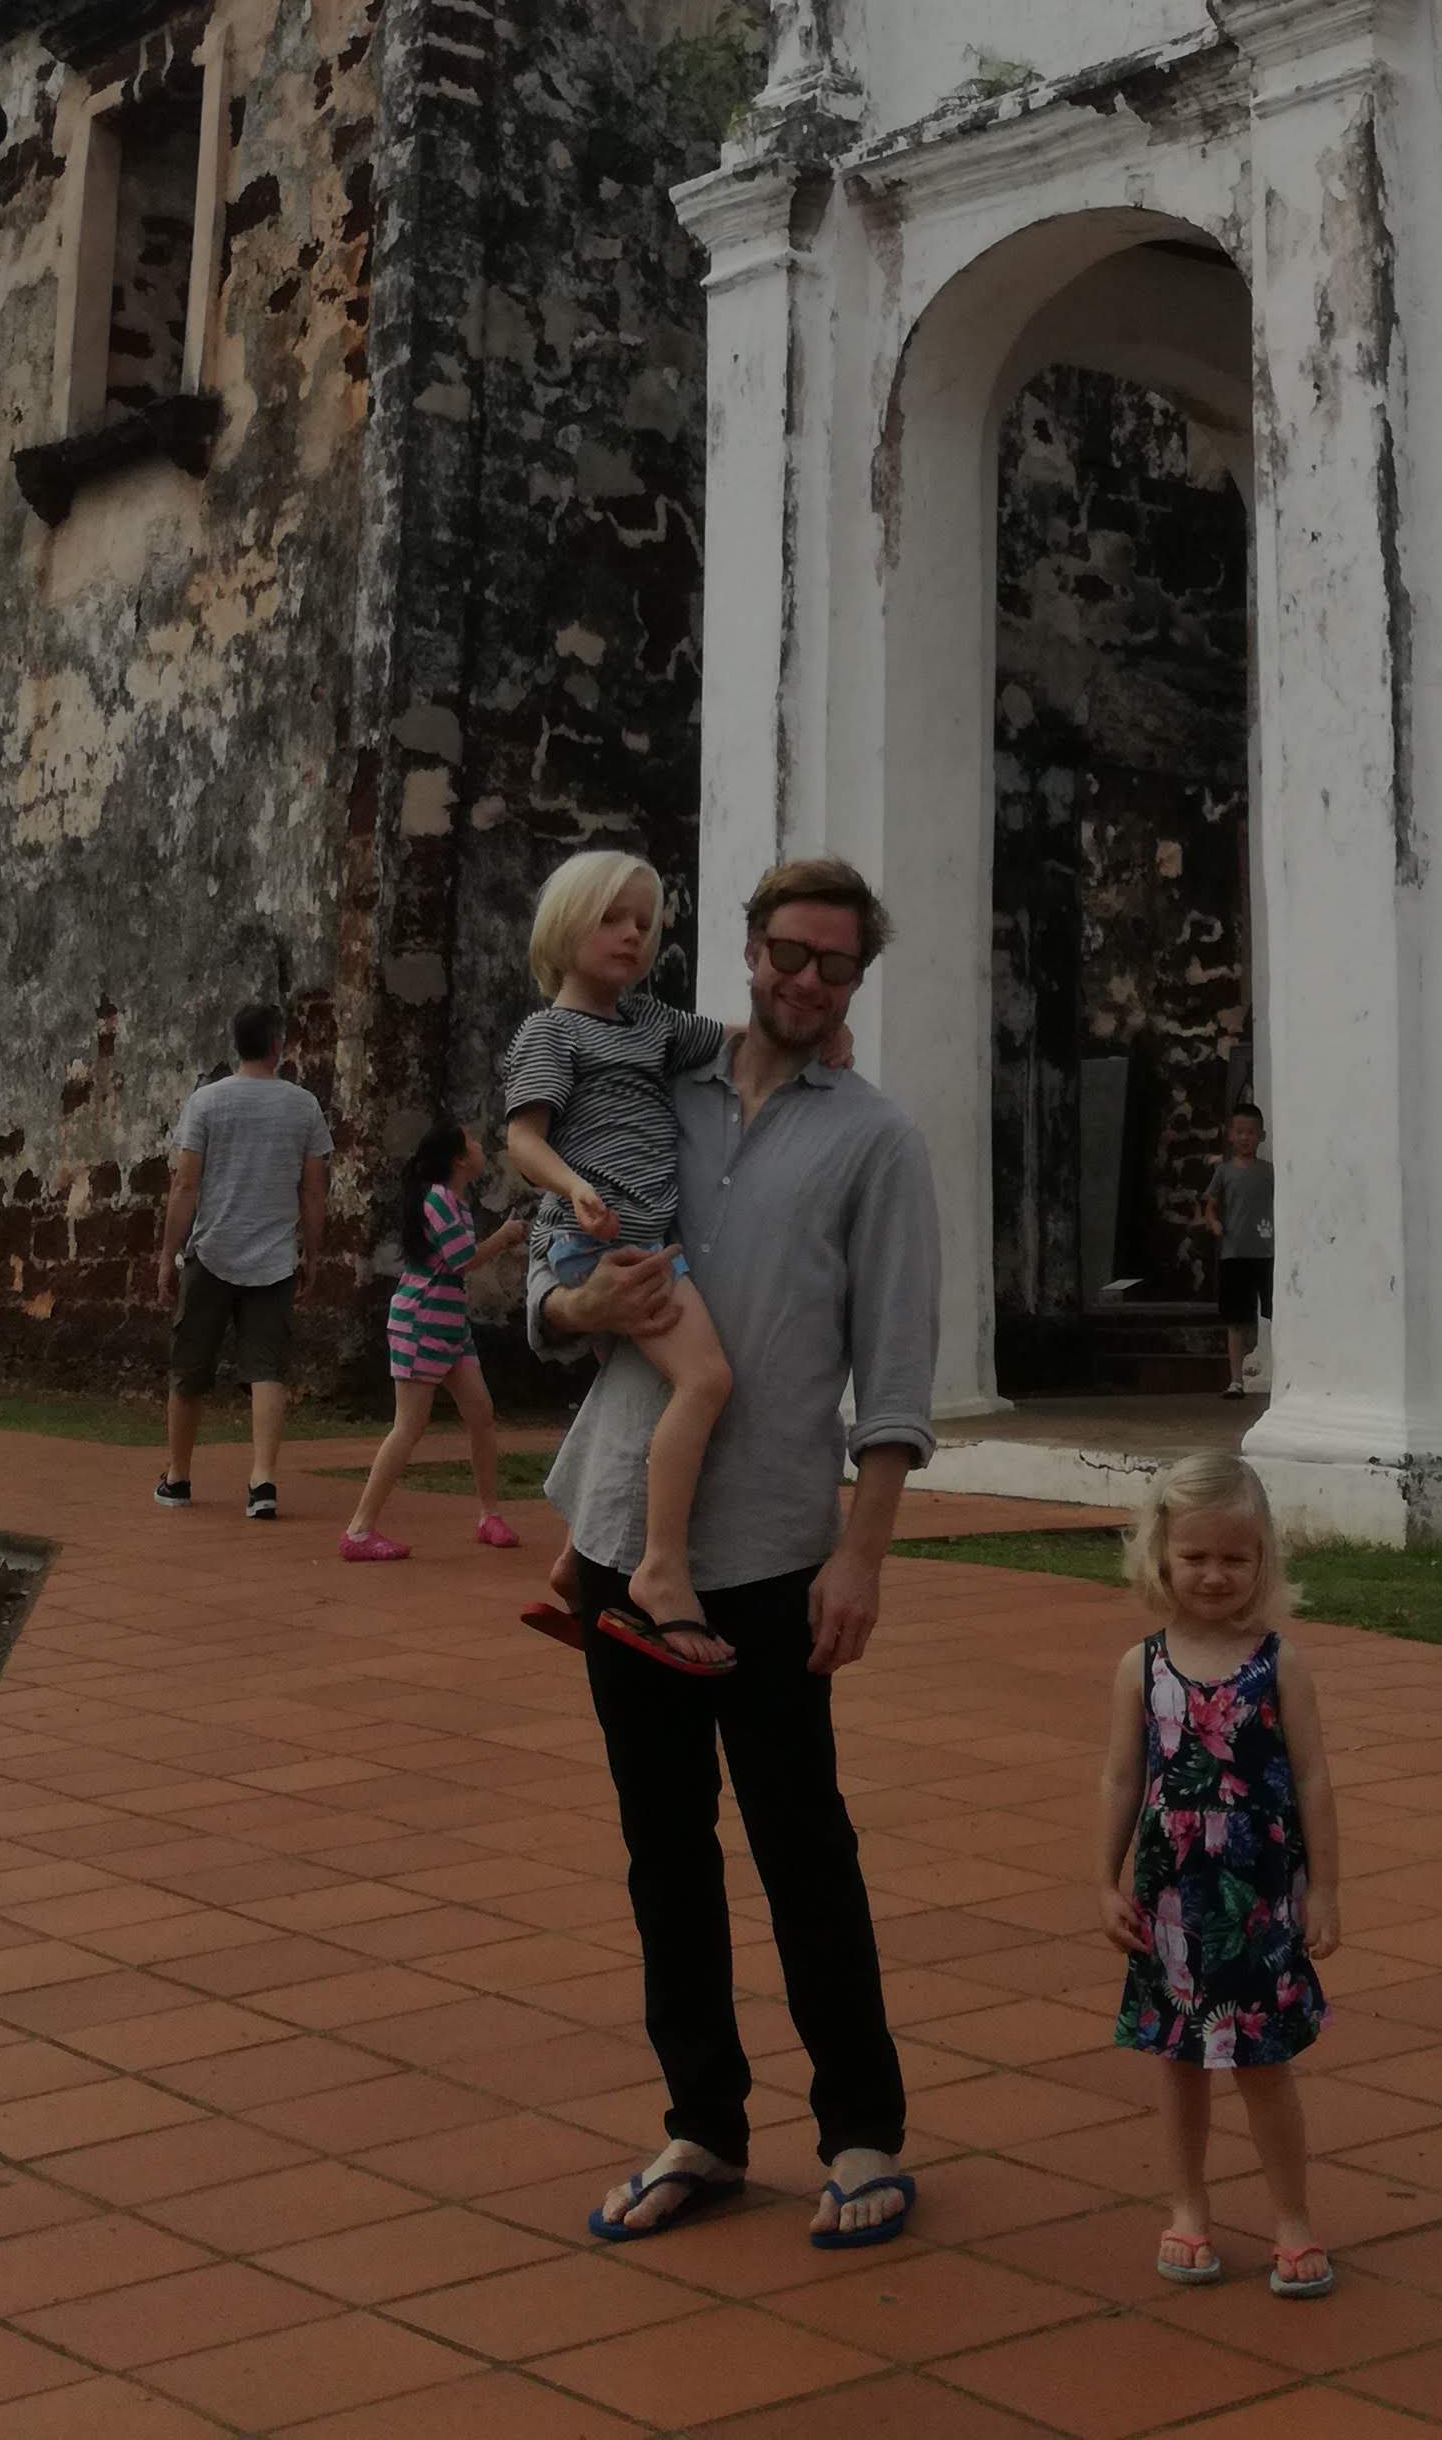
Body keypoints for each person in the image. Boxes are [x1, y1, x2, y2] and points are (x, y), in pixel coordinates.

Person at [536, 854, 937, 2259]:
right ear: (749, 952)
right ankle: (703, 2118)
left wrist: (862, 1560)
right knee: (663, 1848)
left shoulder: (876, 1142)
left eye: (835, 965)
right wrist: (574, 1296)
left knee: (801, 1843)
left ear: (855, 985)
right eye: (786, 953)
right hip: (616, 1536)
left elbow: (894, 1380)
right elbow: (545, 1284)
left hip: (768, 1548)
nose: (805, 982)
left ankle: (863, 2130)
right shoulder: (653, 1085)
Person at [1098, 1447, 1340, 2300]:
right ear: (1161, 1554)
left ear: (1263, 1559)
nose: (1214, 1575)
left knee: (1266, 2066)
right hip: (1170, 1900)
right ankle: (1189, 2207)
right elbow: (1124, 1778)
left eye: (1235, 1558)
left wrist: (1329, 1889)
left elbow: (1311, 1777)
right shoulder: (1142, 1667)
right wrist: (1104, 1879)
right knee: (1181, 2064)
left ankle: (1292, 2220)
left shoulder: (1283, 1665)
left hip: (1262, 1901)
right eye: (1195, 1556)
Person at [503, 852, 738, 1675]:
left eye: (645, 921)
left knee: (636, 1387)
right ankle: (660, 1567)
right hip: (602, 1244)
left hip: (636, 1239)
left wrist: (830, 1031)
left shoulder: (655, 1025)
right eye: (612, 917)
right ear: (566, 925)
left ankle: (575, 1562)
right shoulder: (550, 1031)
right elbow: (523, 1137)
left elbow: (744, 1042)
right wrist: (576, 1186)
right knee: (705, 1380)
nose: (633, 933)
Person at [155, 1001, 332, 1519]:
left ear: (238, 1043)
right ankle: (262, 1482)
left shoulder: (206, 1103)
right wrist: (314, 1254)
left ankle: (179, 1476)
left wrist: (168, 1254)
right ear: (278, 1045)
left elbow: (185, 1184)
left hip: (210, 1251)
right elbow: (314, 1192)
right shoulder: (303, 1107)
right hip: (274, 1258)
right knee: (266, 1370)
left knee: (188, 1369)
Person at [340, 1122, 527, 1561]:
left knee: (480, 1413)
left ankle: (489, 1514)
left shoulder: (452, 1201)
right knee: (409, 1426)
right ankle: (360, 1529)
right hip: (423, 1321)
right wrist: (502, 1238)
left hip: (447, 1324)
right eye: (473, 1142)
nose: (481, 1147)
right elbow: (462, 1260)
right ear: (459, 1158)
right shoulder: (440, 1200)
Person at [1200, 1104, 1274, 1396]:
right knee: (1236, 1320)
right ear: (1230, 1135)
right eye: (1240, 1132)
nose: (1245, 1138)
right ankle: (1236, 1380)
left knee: (1274, 1313)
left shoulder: (1269, 1172)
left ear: (1262, 1136)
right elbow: (1210, 1205)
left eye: (1251, 1133)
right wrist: (1214, 1223)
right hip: (1233, 1253)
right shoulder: (1224, 1172)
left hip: (1266, 1252)